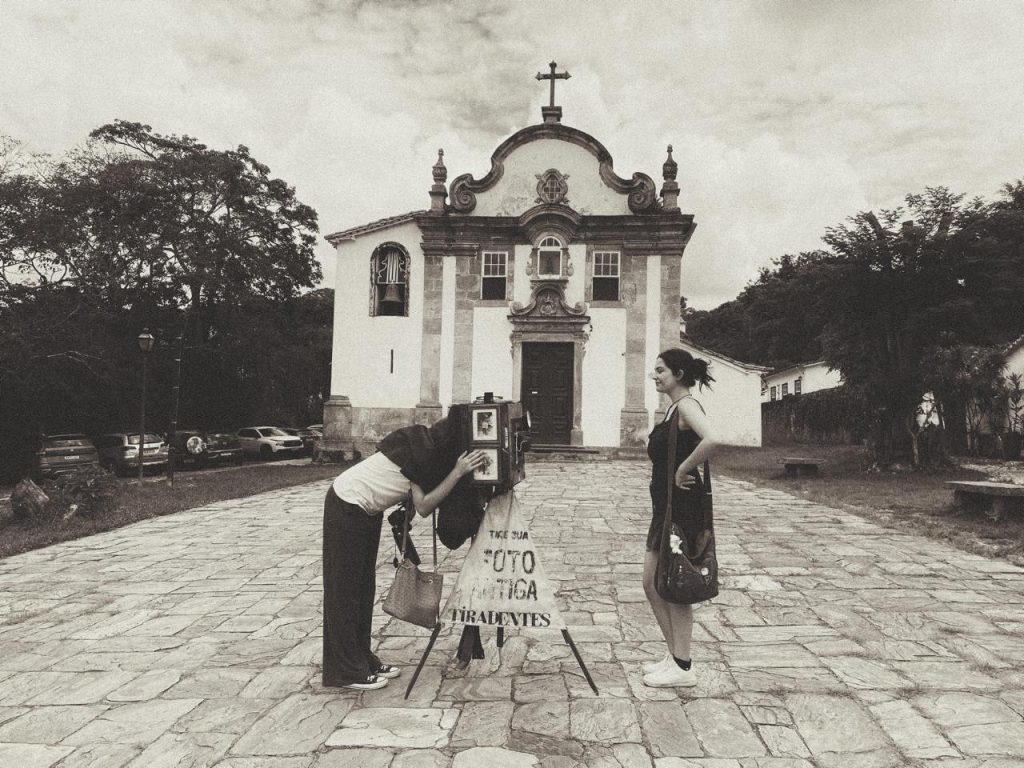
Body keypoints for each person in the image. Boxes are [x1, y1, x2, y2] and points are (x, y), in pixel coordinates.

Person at [322, 413, 487, 690]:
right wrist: (457, 472)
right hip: (347, 502)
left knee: (363, 590)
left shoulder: (425, 450)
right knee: (345, 591)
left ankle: (362, 658)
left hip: (365, 510)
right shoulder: (420, 454)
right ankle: (345, 671)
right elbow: (423, 506)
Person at [642, 347, 719, 688]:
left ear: (678, 374)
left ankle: (683, 666)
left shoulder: (687, 405)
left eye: (660, 370)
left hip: (682, 506)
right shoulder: (673, 408)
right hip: (666, 507)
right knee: (652, 582)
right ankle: (674, 655)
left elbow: (713, 438)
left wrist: (683, 470)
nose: (654, 375)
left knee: (674, 585)